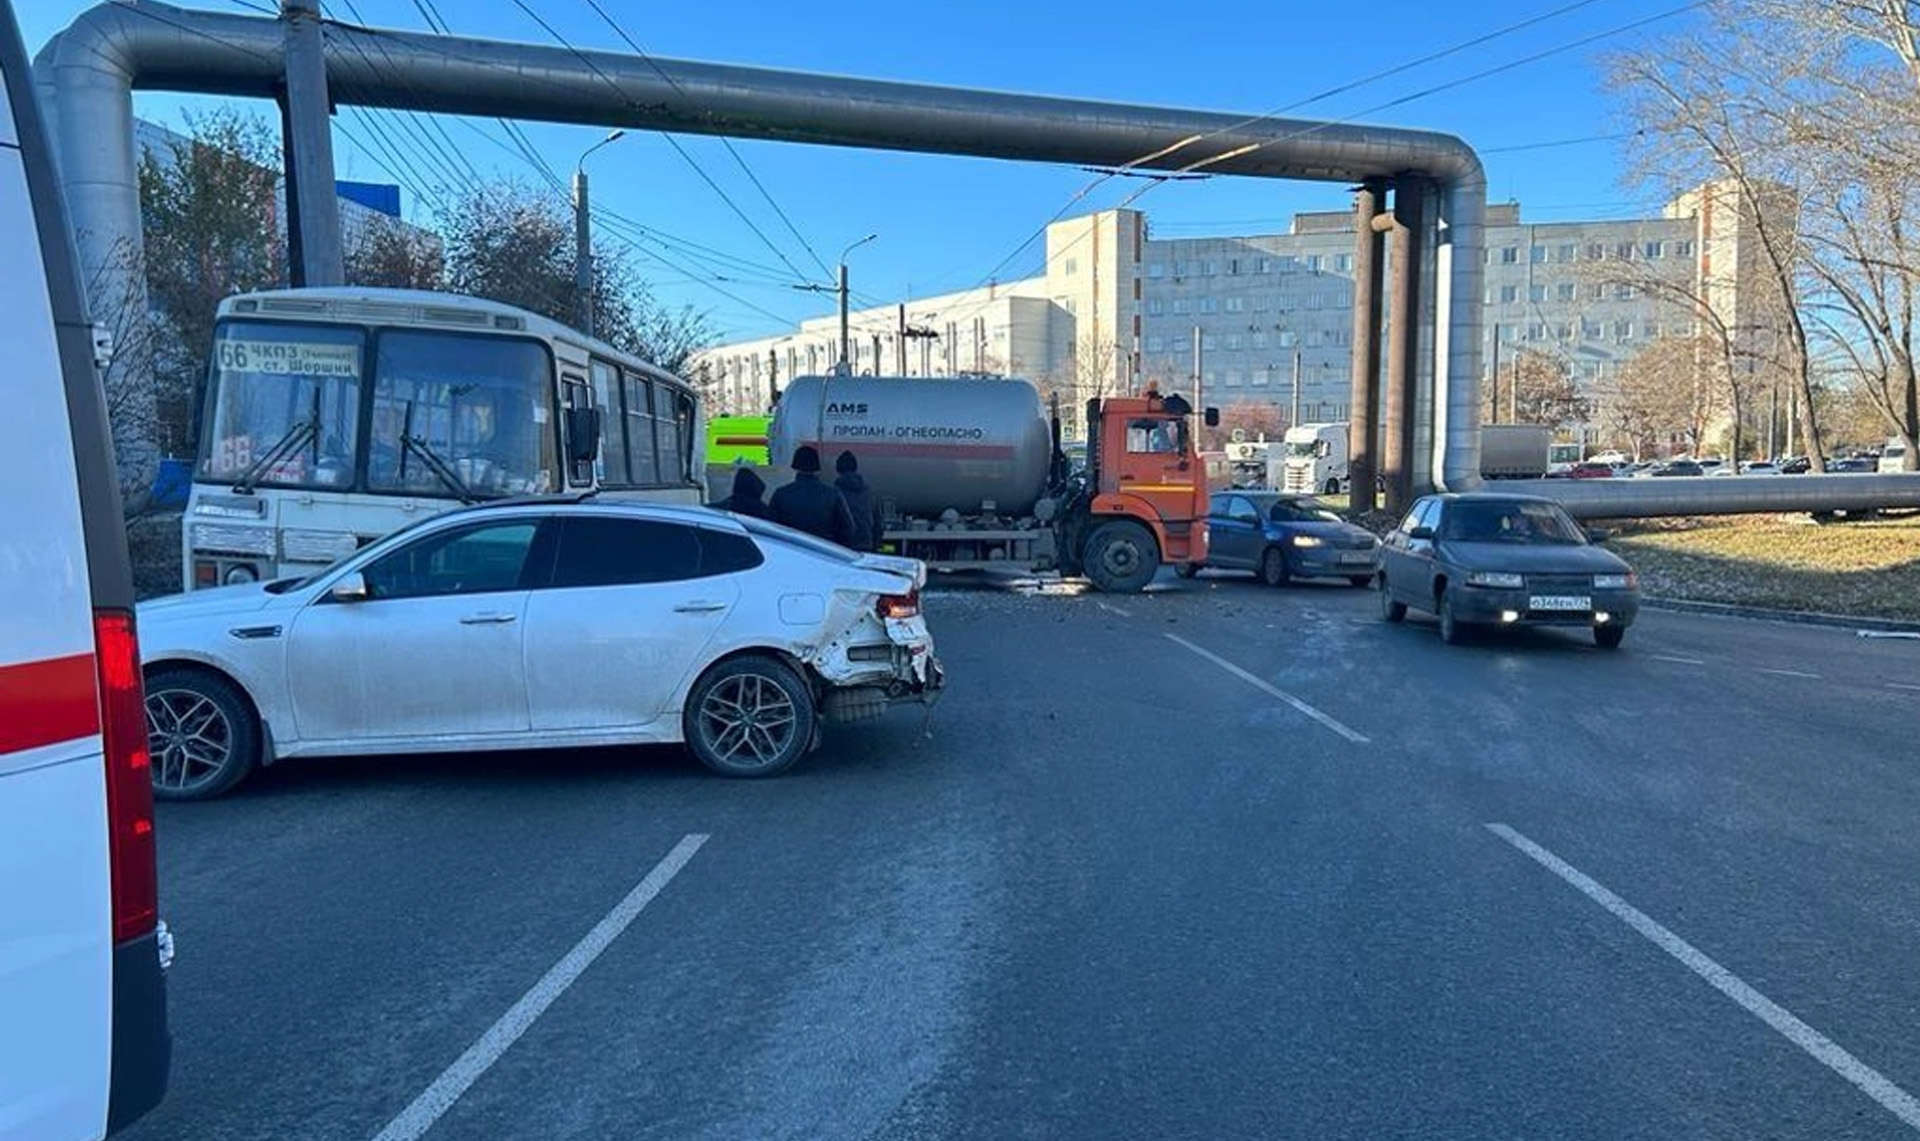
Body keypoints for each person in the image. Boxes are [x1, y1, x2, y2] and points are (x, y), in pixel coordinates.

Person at [770, 445, 856, 546]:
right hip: (825, 552)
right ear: (817, 467)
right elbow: (848, 529)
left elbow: (772, 529)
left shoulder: (781, 494)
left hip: (792, 551)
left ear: (795, 466)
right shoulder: (833, 494)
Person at [832, 450, 883, 552]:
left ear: (838, 470)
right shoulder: (869, 493)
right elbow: (878, 524)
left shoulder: (834, 493)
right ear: (855, 468)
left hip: (842, 547)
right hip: (865, 545)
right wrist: (874, 546)